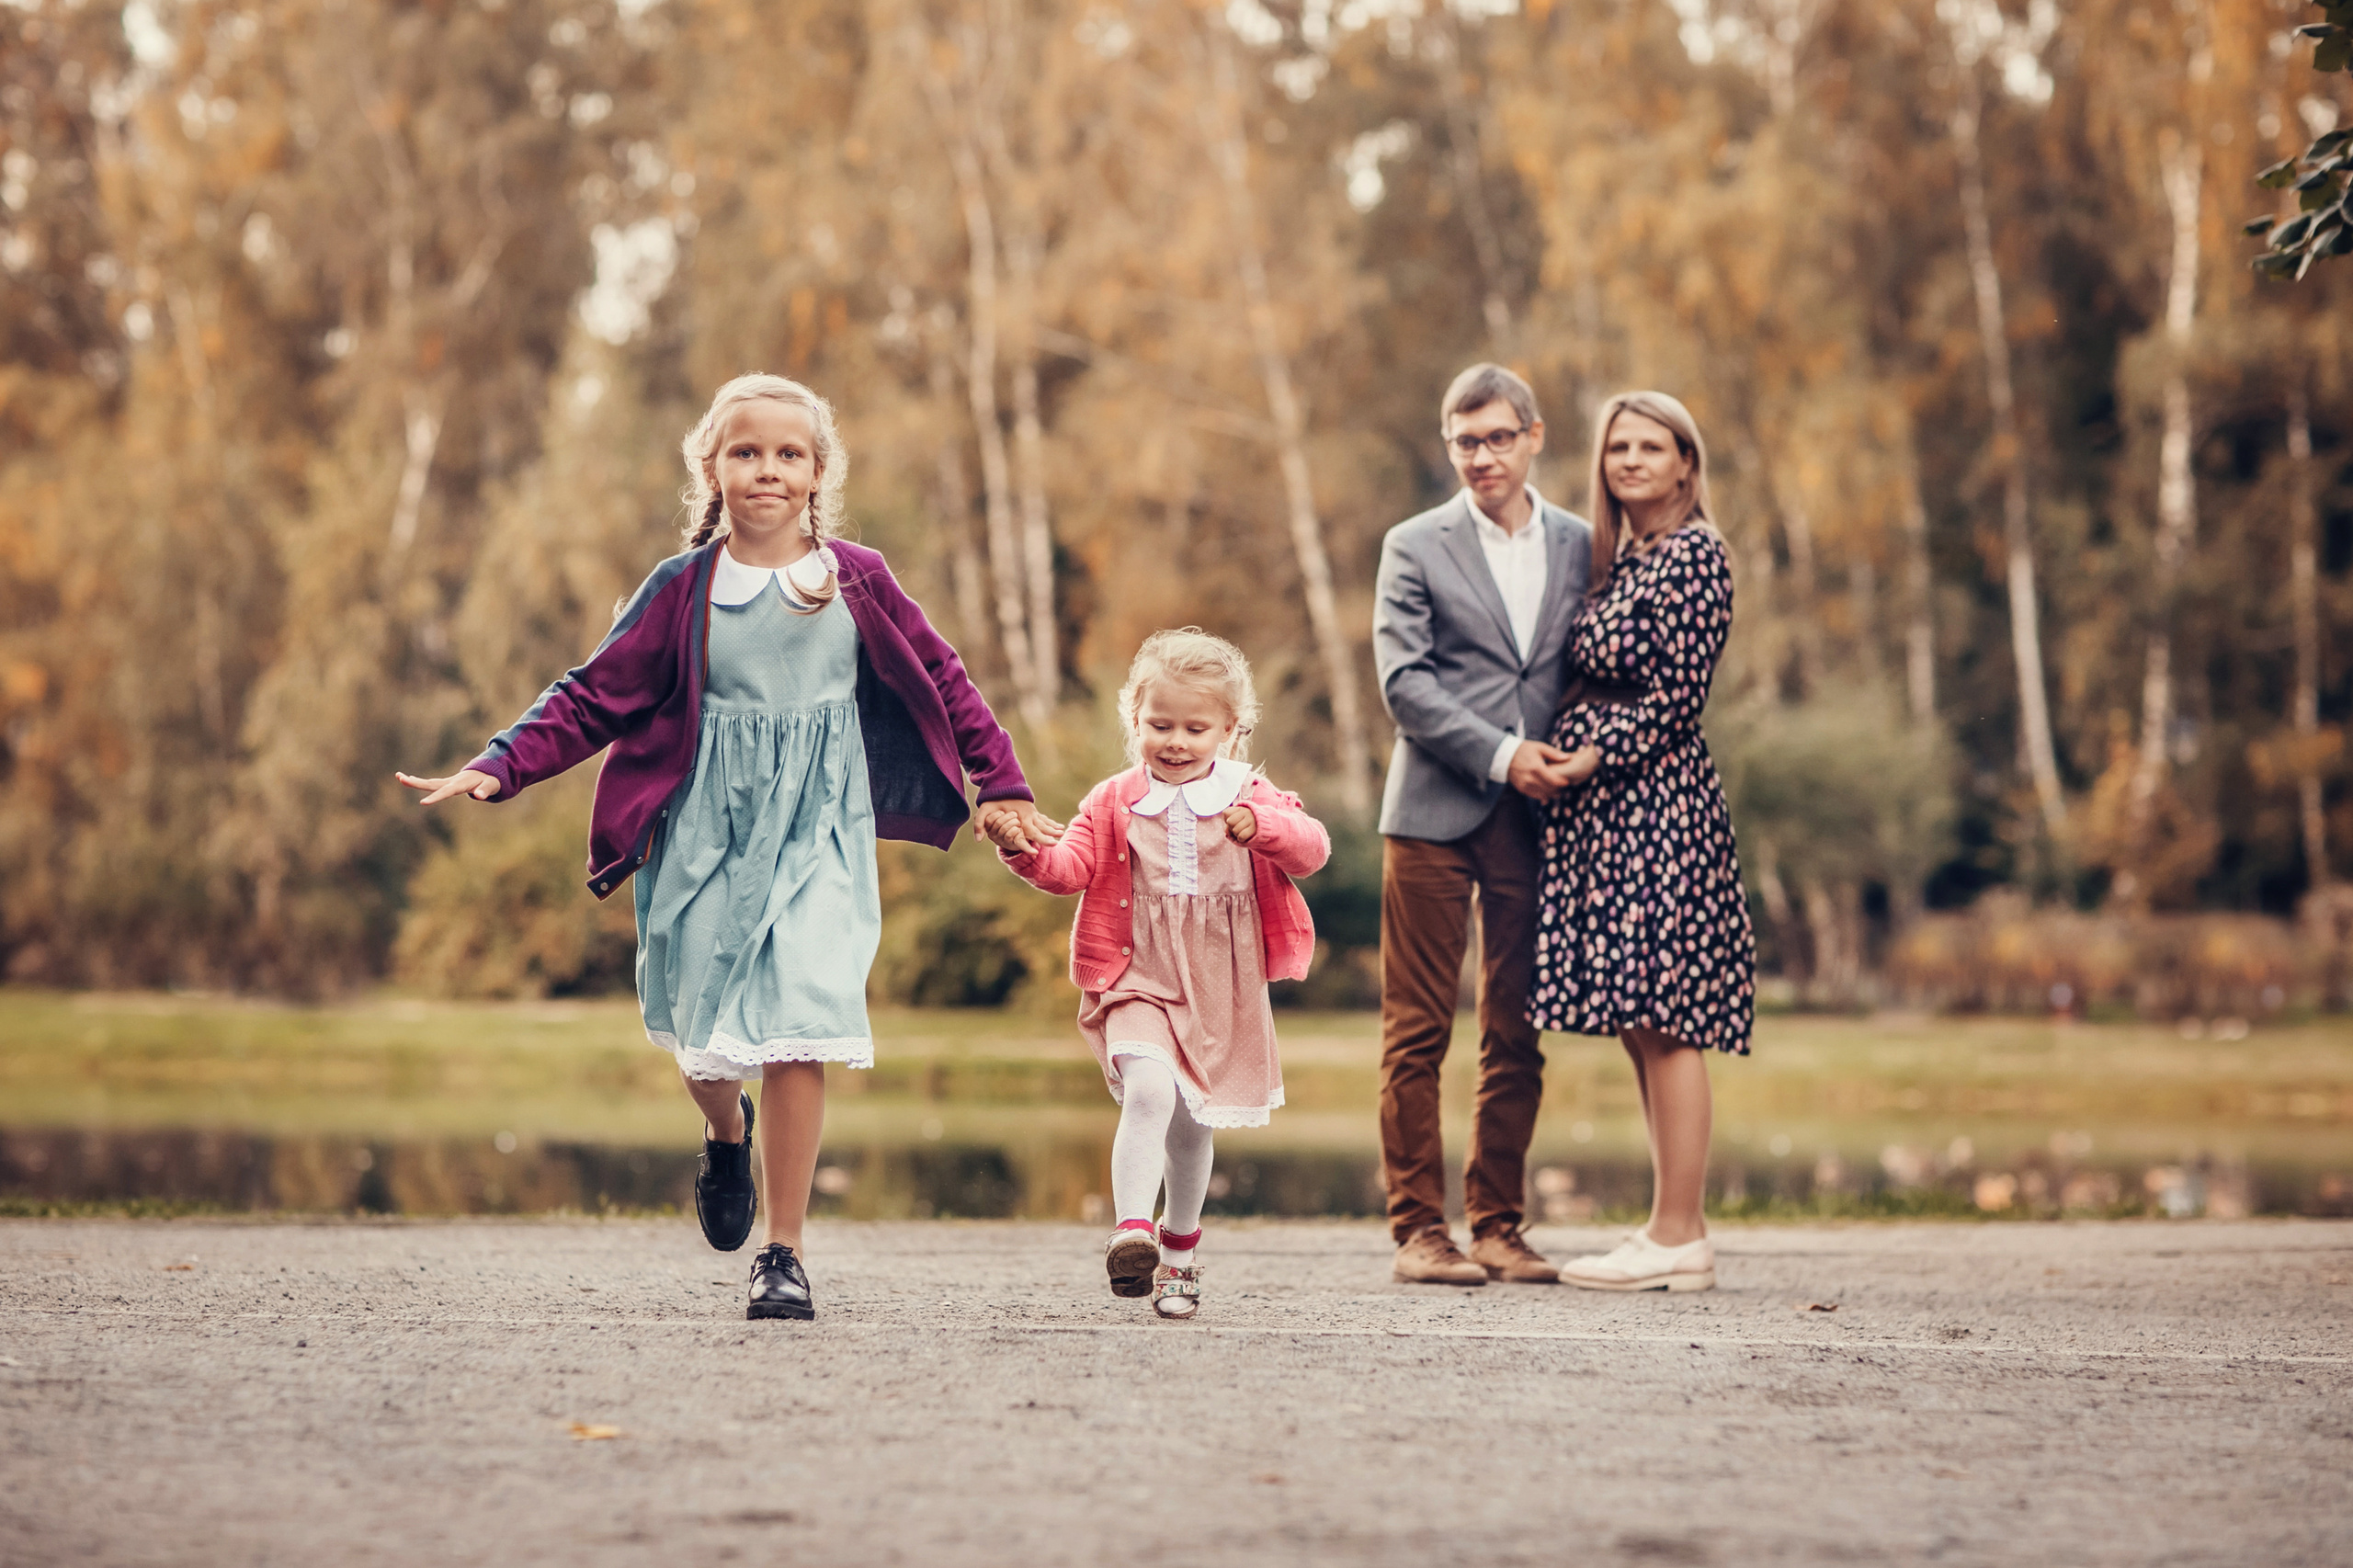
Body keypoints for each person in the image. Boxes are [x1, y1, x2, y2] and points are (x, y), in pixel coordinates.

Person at [395, 373, 1058, 1323]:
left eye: (789, 454)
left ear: (818, 471)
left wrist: (1001, 783)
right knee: (703, 1045)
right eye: (746, 451)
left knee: (802, 1013)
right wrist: (501, 761)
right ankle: (722, 1129)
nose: (767, 471)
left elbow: (942, 679)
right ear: (711, 465)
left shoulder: (856, 578)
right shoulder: (682, 588)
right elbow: (592, 694)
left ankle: (782, 1251)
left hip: (821, 829)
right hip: (705, 828)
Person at [998, 630, 1330, 1320]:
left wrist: (1262, 826)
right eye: (1159, 724)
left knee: (1191, 1124)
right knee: (1148, 1090)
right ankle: (1132, 1232)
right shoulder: (1113, 798)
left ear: (1230, 731)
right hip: (1135, 971)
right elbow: (1070, 871)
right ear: (1135, 720)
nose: (1175, 740)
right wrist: (1025, 849)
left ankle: (1179, 1255)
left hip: (1220, 979)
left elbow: (1312, 849)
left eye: (1195, 727)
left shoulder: (1250, 791)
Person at [1370, 364, 1594, 1286]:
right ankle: (1421, 1230)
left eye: (1500, 437)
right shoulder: (1413, 544)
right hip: (1430, 809)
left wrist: (1579, 755)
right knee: (1416, 1029)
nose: (1482, 456)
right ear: (1447, 443)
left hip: (1537, 817)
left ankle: (1498, 1223)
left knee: (1516, 1027)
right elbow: (1403, 683)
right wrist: (1505, 752)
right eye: (1465, 441)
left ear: (1533, 435)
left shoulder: (1585, 543)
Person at [1529, 390, 1756, 1293]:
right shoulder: (1626, 560)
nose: (1628, 459)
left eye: (1649, 446)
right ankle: (1677, 1227)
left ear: (1685, 464)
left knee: (1666, 1019)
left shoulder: (1696, 556)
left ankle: (1674, 1233)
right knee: (1638, 1021)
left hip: (1659, 805)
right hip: (1609, 817)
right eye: (1616, 446)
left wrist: (1587, 754)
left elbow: (1673, 701)